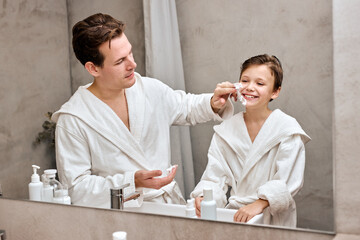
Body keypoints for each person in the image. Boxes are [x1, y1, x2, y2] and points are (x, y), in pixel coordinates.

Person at [51, 13, 236, 208]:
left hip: (168, 206)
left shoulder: (149, 89)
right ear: (93, 68)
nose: (133, 64)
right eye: (120, 61)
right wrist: (132, 182)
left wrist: (214, 102)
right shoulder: (74, 119)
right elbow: (76, 189)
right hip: (120, 216)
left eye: (130, 53)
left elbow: (186, 107)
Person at [190, 54, 311, 227]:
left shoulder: (287, 129)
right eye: (245, 81)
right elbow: (214, 176)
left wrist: (259, 204)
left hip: (272, 217)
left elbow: (288, 181)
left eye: (260, 83)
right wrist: (204, 196)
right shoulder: (226, 130)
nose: (250, 88)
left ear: (275, 91)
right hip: (237, 216)